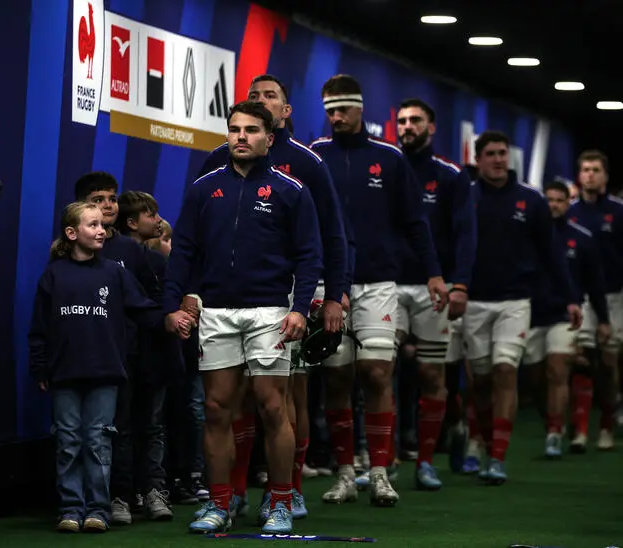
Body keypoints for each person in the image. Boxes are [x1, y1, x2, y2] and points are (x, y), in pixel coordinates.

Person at [163, 101, 323, 534]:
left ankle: (281, 502)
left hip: (271, 310)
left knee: (273, 408)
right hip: (215, 312)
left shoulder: (292, 191)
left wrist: (299, 308)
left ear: (269, 138)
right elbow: (183, 252)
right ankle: (219, 504)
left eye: (251, 130)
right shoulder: (204, 189)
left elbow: (310, 256)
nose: (240, 137)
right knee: (216, 410)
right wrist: (171, 304)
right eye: (234, 129)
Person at [198, 74, 348, 521]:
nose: (259, 102)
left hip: (293, 292)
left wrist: (334, 295)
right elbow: (197, 236)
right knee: (232, 399)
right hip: (229, 296)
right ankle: (235, 490)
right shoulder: (214, 163)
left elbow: (330, 237)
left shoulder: (307, 164)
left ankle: (290, 490)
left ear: (284, 114)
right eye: (253, 97)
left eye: (270, 98)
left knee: (286, 398)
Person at [310, 75, 448, 507]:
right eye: (330, 110)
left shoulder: (388, 158)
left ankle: (380, 472)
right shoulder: (316, 156)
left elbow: (414, 222)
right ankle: (346, 473)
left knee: (376, 372)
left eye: (343, 109)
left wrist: (433, 273)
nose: (336, 117)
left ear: (360, 108)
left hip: (379, 282)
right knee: (336, 376)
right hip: (329, 283)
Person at [28, 202, 193, 533]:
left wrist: (169, 317)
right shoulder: (54, 274)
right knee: (68, 441)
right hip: (64, 374)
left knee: (99, 440)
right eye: (93, 225)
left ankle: (98, 510)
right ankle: (71, 508)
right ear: (72, 233)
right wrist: (40, 367)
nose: (102, 230)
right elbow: (39, 328)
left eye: (103, 225)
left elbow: (143, 309)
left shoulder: (115, 273)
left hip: (106, 372)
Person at [464, 131, 581, 484]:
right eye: (491, 154)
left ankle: (498, 456)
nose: (499, 159)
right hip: (473, 301)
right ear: (479, 159)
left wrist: (571, 297)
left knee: (505, 371)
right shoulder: (465, 198)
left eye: (503, 153)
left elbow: (552, 255)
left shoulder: (531, 201)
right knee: (480, 381)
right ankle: (482, 442)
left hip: (516, 302)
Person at [395, 98, 476, 490]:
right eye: (402, 121)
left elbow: (465, 233)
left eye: (415, 121)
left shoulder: (450, 175)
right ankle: (379, 461)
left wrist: (460, 284)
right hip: (385, 285)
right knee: (376, 371)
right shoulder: (387, 166)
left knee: (431, 373)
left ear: (432, 127)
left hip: (435, 286)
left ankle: (425, 461)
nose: (407, 126)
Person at [73, 172, 159, 523]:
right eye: (98, 199)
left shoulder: (130, 250)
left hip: (128, 353)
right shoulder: (65, 255)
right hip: (84, 355)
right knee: (82, 432)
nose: (108, 205)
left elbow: (150, 301)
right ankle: (83, 501)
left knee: (131, 425)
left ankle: (128, 494)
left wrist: (174, 317)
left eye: (112, 198)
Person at [523, 180, 609, 458]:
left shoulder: (581, 237)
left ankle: (554, 433)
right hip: (532, 313)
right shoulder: (527, 237)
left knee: (557, 369)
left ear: (568, 203)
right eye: (549, 200)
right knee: (536, 380)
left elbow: (595, 283)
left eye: (560, 200)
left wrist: (604, 319)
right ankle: (555, 421)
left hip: (565, 313)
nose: (554, 205)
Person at [114, 190, 177, 520]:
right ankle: (122, 495)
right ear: (132, 222)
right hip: (121, 355)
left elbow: (164, 307)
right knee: (121, 426)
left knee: (152, 425)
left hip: (153, 354)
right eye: (150, 214)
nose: (158, 219)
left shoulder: (159, 262)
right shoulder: (108, 260)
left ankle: (153, 490)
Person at [567, 150, 623, 451]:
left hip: (616, 295)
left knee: (610, 361)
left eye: (595, 170)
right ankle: (579, 429)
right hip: (582, 297)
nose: (590, 174)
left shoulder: (618, 211)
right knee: (582, 359)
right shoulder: (571, 213)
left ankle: (607, 425)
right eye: (585, 169)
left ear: (605, 176)